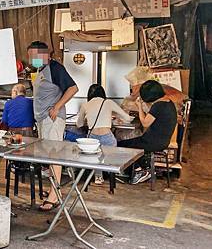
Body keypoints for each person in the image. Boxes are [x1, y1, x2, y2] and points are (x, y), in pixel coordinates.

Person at [27, 41, 78, 211]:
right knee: (48, 156)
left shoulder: (55, 67)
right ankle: (54, 191)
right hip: (43, 119)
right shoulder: (40, 70)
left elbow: (73, 88)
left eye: (33, 56)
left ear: (43, 55)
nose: (31, 59)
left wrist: (57, 106)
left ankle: (54, 196)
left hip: (52, 119)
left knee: (54, 156)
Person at [118, 80, 177, 184]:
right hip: (162, 141)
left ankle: (140, 171)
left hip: (152, 142)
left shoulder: (158, 105)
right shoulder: (169, 102)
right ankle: (138, 170)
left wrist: (139, 106)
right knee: (128, 143)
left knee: (121, 145)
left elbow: (145, 123)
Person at [76, 84, 133, 184]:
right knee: (111, 153)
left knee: (96, 157)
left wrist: (88, 120)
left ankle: (98, 176)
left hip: (92, 138)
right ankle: (113, 174)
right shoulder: (108, 102)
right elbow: (127, 118)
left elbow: (79, 124)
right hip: (107, 137)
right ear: (103, 93)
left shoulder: (86, 105)